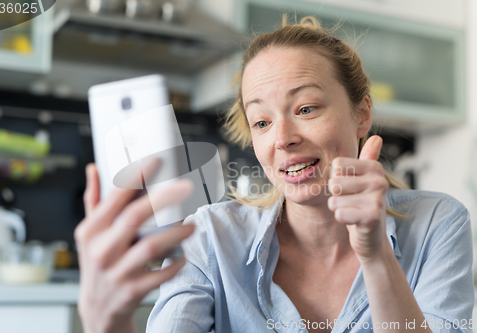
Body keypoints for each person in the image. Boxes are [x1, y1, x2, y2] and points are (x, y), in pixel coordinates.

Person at [75, 16, 474, 333]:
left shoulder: (437, 224)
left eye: (306, 109)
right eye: (262, 122)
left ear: (362, 114)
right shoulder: (209, 239)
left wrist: (376, 257)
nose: (282, 139)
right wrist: (106, 324)